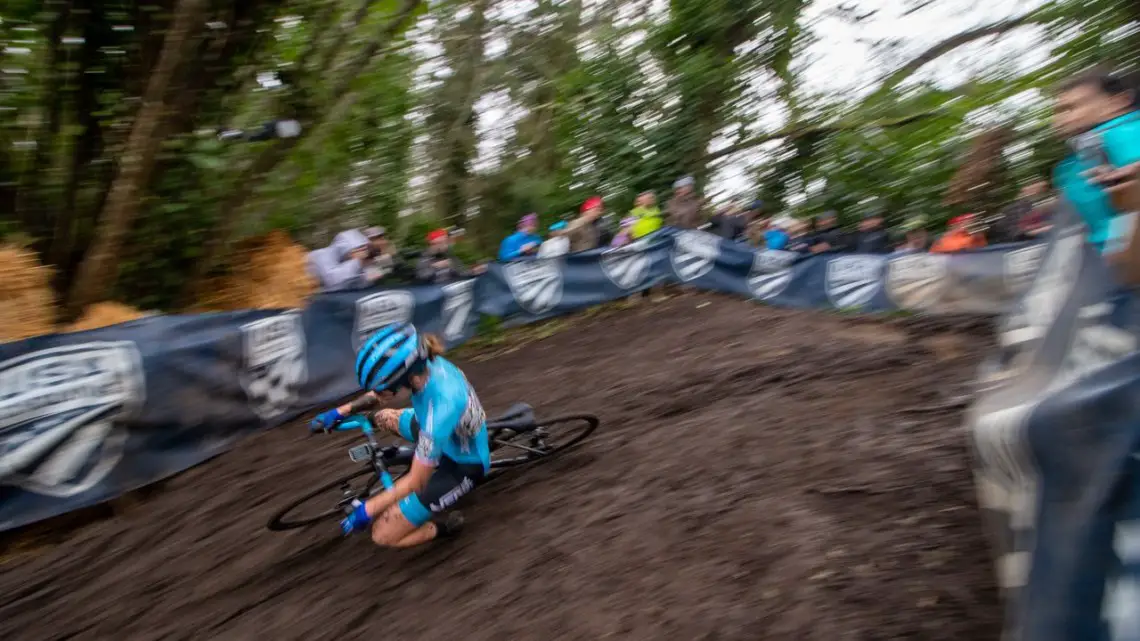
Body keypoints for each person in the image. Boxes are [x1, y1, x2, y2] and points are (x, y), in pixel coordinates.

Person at [310, 323, 485, 546]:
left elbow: (416, 481)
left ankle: (445, 528)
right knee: (383, 416)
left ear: (403, 377)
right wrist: (340, 411)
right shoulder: (424, 368)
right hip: (440, 427)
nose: (377, 391)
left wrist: (367, 510)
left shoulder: (441, 408)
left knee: (382, 534)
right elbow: (381, 396)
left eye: (381, 385)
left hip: (463, 462)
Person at [1052, 66, 1140, 253]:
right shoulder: (1076, 157)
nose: (1058, 120)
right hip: (1111, 268)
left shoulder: (1125, 133)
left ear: (1119, 102)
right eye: (1057, 111)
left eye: (1071, 108)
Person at [307, 229, 382, 292]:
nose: (363, 252)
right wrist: (358, 262)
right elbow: (332, 281)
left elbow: (367, 279)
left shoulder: (351, 261)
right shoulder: (321, 255)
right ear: (345, 249)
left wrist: (369, 265)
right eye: (359, 249)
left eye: (364, 249)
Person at [416, 228, 485, 284]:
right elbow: (421, 278)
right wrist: (434, 267)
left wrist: (473, 271)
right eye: (443, 243)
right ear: (433, 244)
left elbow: (462, 272)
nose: (446, 245)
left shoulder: (449, 256)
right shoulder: (425, 258)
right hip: (434, 294)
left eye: (446, 242)